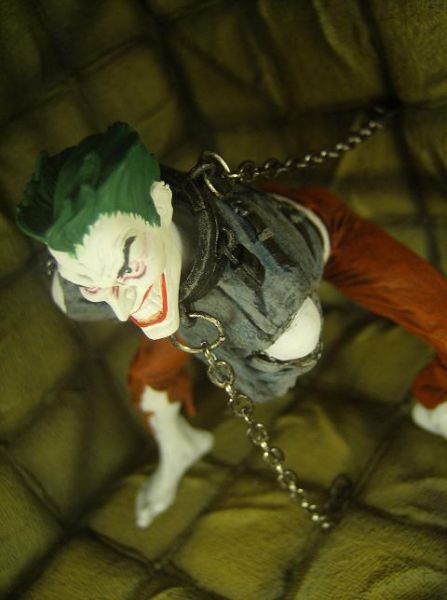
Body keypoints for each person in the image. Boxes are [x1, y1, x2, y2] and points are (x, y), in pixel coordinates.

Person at [16, 122, 447, 527]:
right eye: (92, 286)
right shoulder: (93, 270)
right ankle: (179, 447)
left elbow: (268, 379)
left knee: (436, 310)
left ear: (160, 205)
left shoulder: (277, 311)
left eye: (127, 268)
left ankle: (436, 401)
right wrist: (102, 283)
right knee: (148, 375)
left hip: (321, 230)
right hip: (191, 296)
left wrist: (258, 347)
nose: (119, 306)